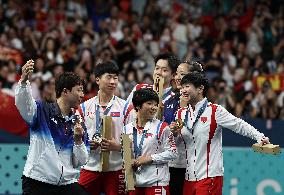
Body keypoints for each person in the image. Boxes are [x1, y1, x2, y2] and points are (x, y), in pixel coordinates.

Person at [170, 71, 270, 195]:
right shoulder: (180, 114)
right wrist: (174, 134)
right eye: (182, 87)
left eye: (187, 86)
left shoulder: (215, 111)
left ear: (200, 88)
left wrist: (259, 136)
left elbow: (239, 125)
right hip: (188, 178)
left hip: (210, 176)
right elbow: (178, 144)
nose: (183, 90)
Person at [15, 60, 89, 195]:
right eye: (79, 90)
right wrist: (24, 81)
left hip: (66, 184)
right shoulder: (42, 111)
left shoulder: (78, 123)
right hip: (38, 182)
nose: (82, 95)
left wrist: (78, 141)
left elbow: (81, 161)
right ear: (65, 91)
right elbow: (23, 104)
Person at [78, 61, 133, 195]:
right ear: (97, 80)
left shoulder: (126, 108)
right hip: (89, 167)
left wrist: (118, 146)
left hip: (116, 169)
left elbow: (133, 139)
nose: (113, 81)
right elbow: (75, 138)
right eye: (108, 77)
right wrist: (85, 144)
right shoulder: (84, 108)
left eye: (115, 77)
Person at [123, 88, 177, 195]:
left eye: (155, 104)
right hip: (135, 183)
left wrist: (150, 159)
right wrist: (127, 180)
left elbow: (173, 152)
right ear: (138, 106)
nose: (154, 107)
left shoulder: (162, 127)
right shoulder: (126, 129)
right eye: (149, 103)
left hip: (156, 182)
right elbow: (126, 156)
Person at [165, 61, 203, 195]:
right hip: (169, 162)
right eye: (177, 73)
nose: (177, 77)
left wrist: (183, 106)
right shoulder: (169, 101)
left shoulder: (199, 104)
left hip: (188, 165)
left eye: (182, 74)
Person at [124, 53, 180, 121]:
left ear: (173, 75)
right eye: (157, 68)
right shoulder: (139, 88)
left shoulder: (175, 100)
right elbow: (125, 113)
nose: (158, 72)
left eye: (164, 70)